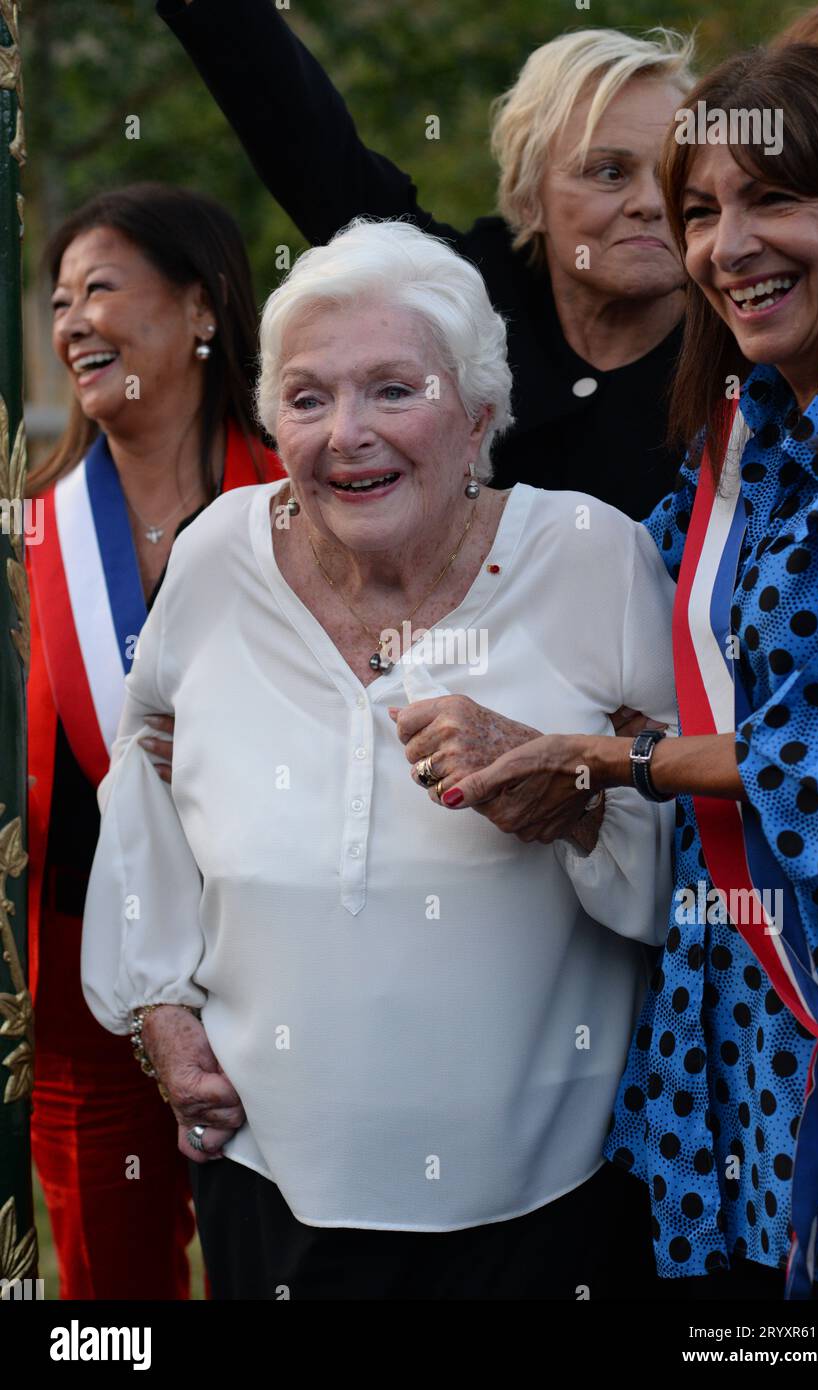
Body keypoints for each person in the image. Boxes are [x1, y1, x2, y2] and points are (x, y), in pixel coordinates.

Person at [81, 217, 678, 1301]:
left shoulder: (594, 556)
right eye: (308, 399)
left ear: (480, 416)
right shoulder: (218, 552)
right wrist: (163, 1013)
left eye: (394, 390)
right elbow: (145, 783)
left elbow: (687, 845)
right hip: (269, 1184)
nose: (346, 433)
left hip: (540, 1204)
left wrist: (568, 784)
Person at [441, 45, 818, 1300]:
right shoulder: (742, 440)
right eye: (704, 211)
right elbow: (641, 653)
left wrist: (621, 758)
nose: (727, 243)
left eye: (775, 200)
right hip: (723, 1043)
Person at [27, 182, 284, 1299]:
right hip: (88, 996)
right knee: (108, 1291)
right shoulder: (23, 532)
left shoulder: (309, 499)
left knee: (285, 1258)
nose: (72, 318)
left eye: (102, 288)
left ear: (200, 309)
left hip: (281, 972)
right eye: (58, 299)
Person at [158, 3, 694, 519]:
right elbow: (312, 153)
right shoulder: (459, 295)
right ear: (530, 197)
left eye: (672, 171)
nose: (650, 201)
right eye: (608, 172)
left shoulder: (745, 347)